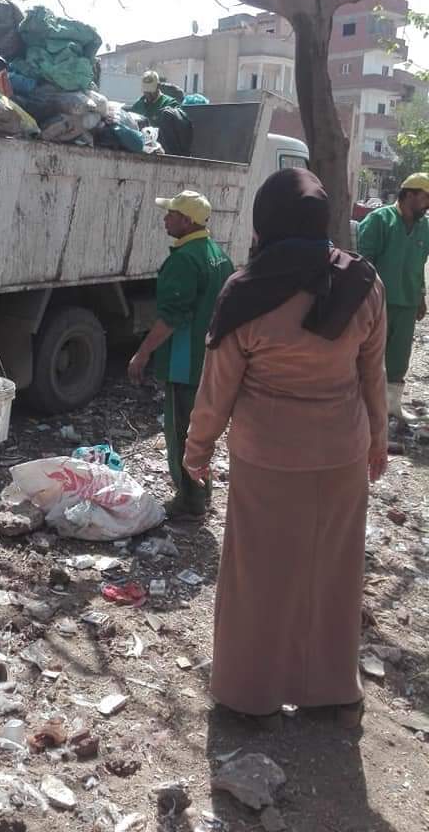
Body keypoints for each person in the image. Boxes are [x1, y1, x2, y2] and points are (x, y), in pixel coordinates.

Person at [182, 168, 387, 728]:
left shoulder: (247, 291)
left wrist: (196, 449)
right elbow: (374, 376)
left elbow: (216, 390)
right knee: (334, 572)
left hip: (268, 457)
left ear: (265, 220)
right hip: (342, 452)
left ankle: (252, 699)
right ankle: (332, 697)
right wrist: (378, 441)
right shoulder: (363, 284)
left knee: (260, 574)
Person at [128, 191, 233, 519]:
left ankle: (190, 501)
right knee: (201, 432)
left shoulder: (184, 259)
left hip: (183, 363)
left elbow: (171, 317)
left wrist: (142, 355)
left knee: (182, 433)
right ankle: (202, 492)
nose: (165, 218)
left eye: (171, 213)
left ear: (187, 221)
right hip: (209, 359)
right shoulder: (217, 253)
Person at [358, 173, 429, 422]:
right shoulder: (379, 220)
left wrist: (421, 296)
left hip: (407, 302)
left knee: (399, 356)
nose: (427, 204)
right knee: (370, 354)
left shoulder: (425, 227)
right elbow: (364, 262)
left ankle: (392, 406)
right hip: (378, 301)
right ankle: (364, 407)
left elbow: (419, 264)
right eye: (425, 197)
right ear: (409, 194)